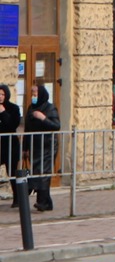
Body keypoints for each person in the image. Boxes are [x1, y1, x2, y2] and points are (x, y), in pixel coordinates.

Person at [23, 83, 61, 212]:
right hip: (35, 145)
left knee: (43, 173)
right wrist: (25, 148)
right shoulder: (31, 108)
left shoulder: (50, 108)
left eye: (36, 94)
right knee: (37, 171)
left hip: (48, 146)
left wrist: (43, 118)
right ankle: (47, 202)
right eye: (32, 94)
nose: (34, 97)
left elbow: (56, 126)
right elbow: (27, 130)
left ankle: (42, 202)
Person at [0, 84, 20, 206]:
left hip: (10, 145)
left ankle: (17, 198)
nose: (0, 97)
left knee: (12, 172)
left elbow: (12, 125)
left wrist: (3, 112)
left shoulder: (13, 108)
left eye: (2, 94)